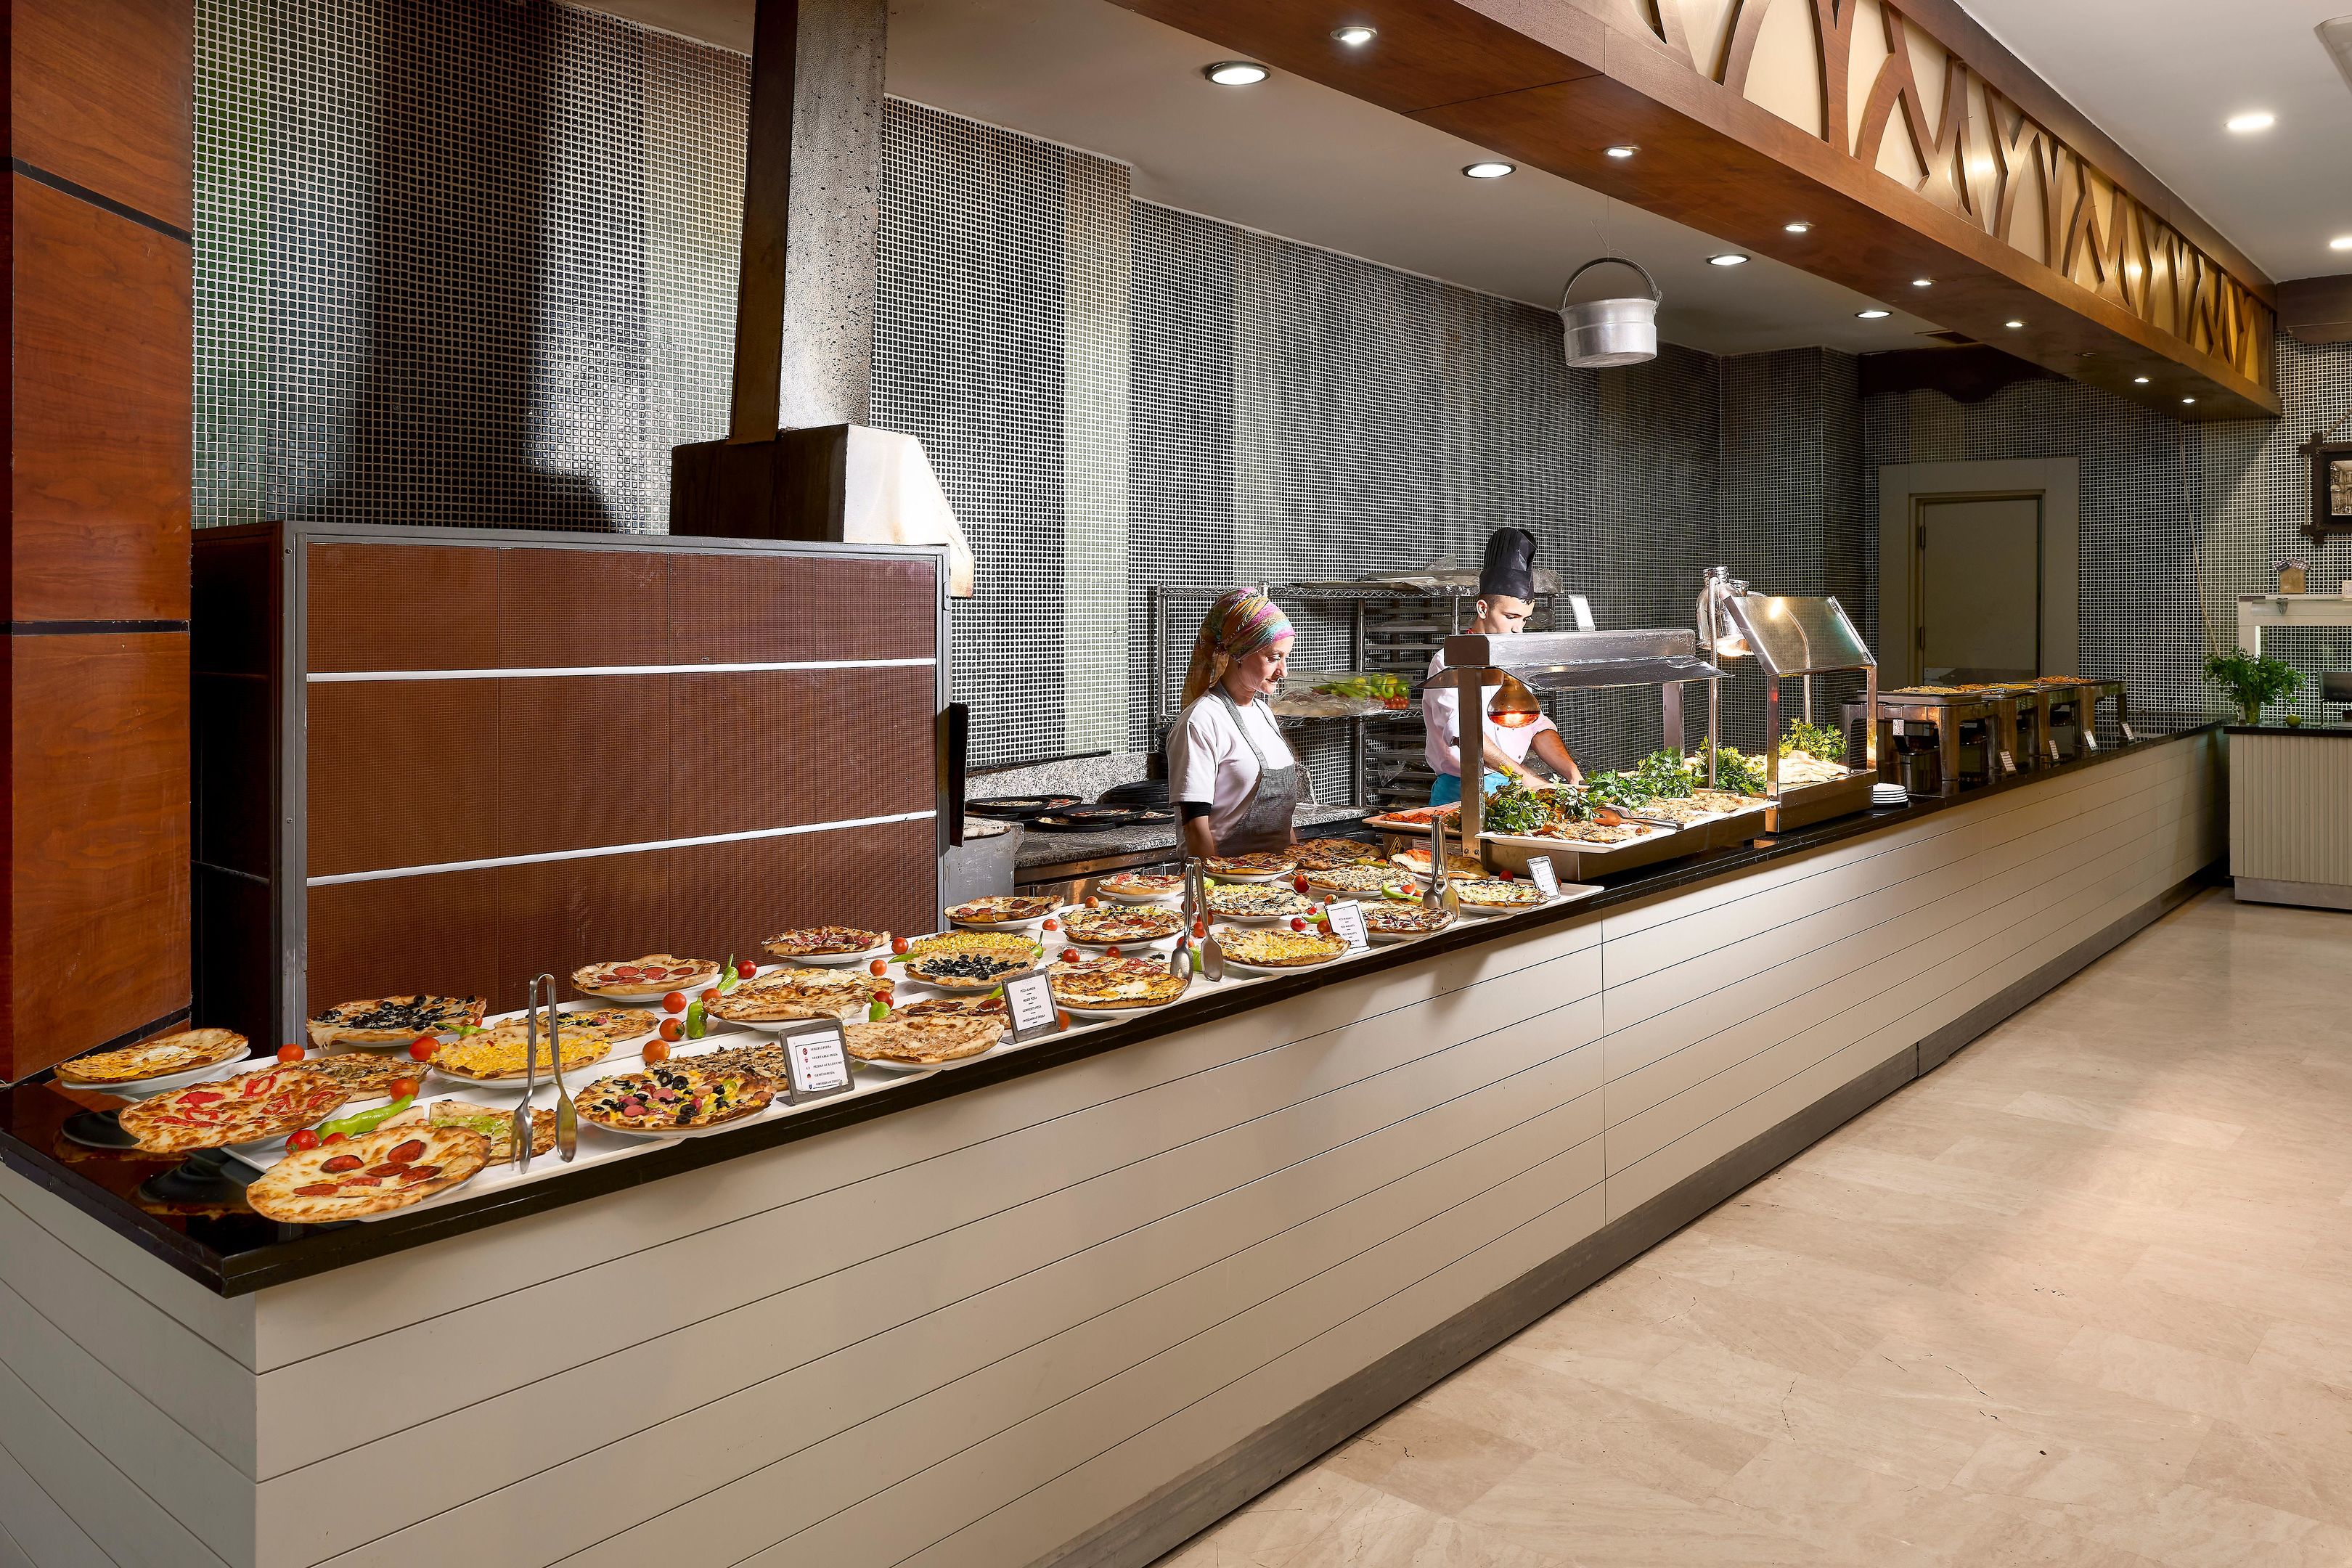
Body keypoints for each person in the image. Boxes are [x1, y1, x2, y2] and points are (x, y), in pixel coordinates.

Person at [1424, 527, 1584, 806]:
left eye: (1524, 619)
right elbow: (1466, 733)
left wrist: (1572, 773)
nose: (1518, 629)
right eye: (1511, 617)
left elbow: (1535, 726)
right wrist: (1528, 779)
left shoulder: (1514, 660)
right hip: (1462, 790)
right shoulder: (1449, 661)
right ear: (1483, 609)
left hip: (1511, 785)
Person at [1169, 588, 1299, 858]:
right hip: (1226, 875)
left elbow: (1279, 815)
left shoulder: (1263, 713)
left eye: (1285, 657)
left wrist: (1298, 863)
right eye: (1273, 658)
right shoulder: (1201, 720)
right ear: (1238, 653)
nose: (1283, 671)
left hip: (1279, 873)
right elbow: (1195, 827)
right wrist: (1216, 880)